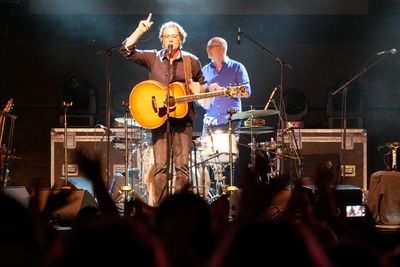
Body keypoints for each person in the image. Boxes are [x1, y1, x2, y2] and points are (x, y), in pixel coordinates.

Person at [120, 13, 206, 206]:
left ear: (181, 39)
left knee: (182, 167)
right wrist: (140, 30)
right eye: (166, 36)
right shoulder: (153, 57)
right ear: (161, 39)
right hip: (159, 118)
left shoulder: (191, 61)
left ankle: (179, 208)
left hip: (183, 120)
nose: (170, 39)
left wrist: (198, 89)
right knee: (160, 167)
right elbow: (126, 51)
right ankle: (159, 209)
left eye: (174, 36)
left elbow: (201, 85)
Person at [197, 37, 251, 191]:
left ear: (222, 48)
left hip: (231, 120)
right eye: (208, 47)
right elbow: (196, 98)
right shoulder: (204, 71)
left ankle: (228, 192)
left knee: (228, 159)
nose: (207, 50)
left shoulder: (237, 67)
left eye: (211, 47)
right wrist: (206, 92)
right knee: (207, 159)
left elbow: (246, 91)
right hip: (210, 120)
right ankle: (211, 193)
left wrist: (227, 91)